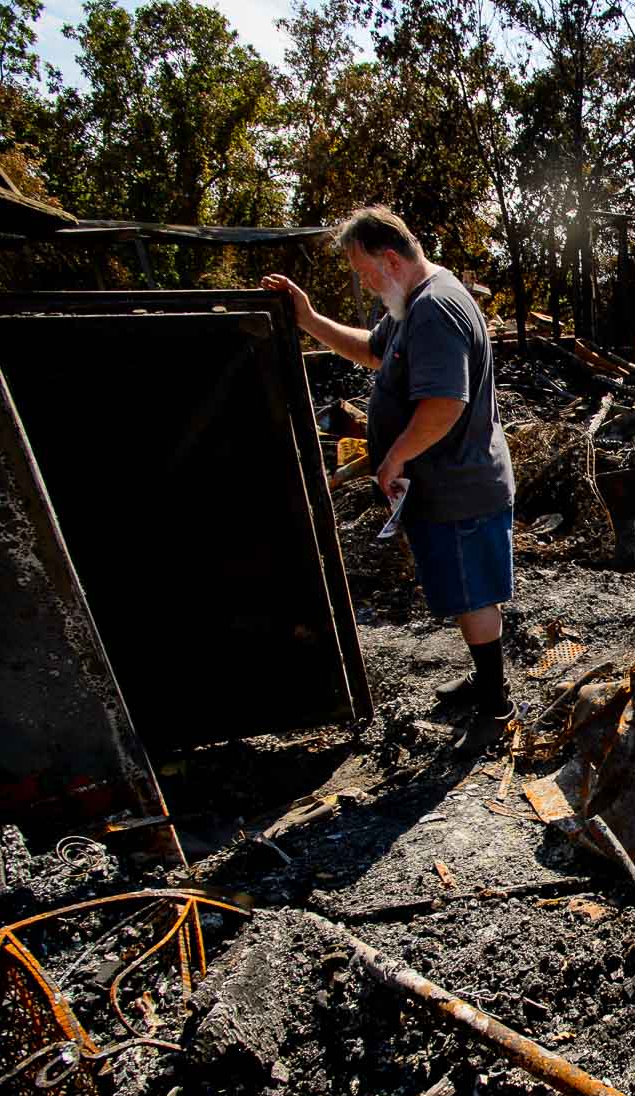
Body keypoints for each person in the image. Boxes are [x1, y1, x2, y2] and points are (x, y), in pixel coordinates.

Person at [261, 207, 516, 749]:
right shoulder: (411, 305)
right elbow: (373, 353)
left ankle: (496, 706)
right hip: (446, 485)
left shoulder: (436, 310)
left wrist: (395, 457)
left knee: (473, 594)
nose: (367, 284)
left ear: (392, 259)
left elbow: (446, 404)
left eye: (367, 273)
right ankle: (483, 681)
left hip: (460, 486)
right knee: (461, 588)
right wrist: (307, 317)